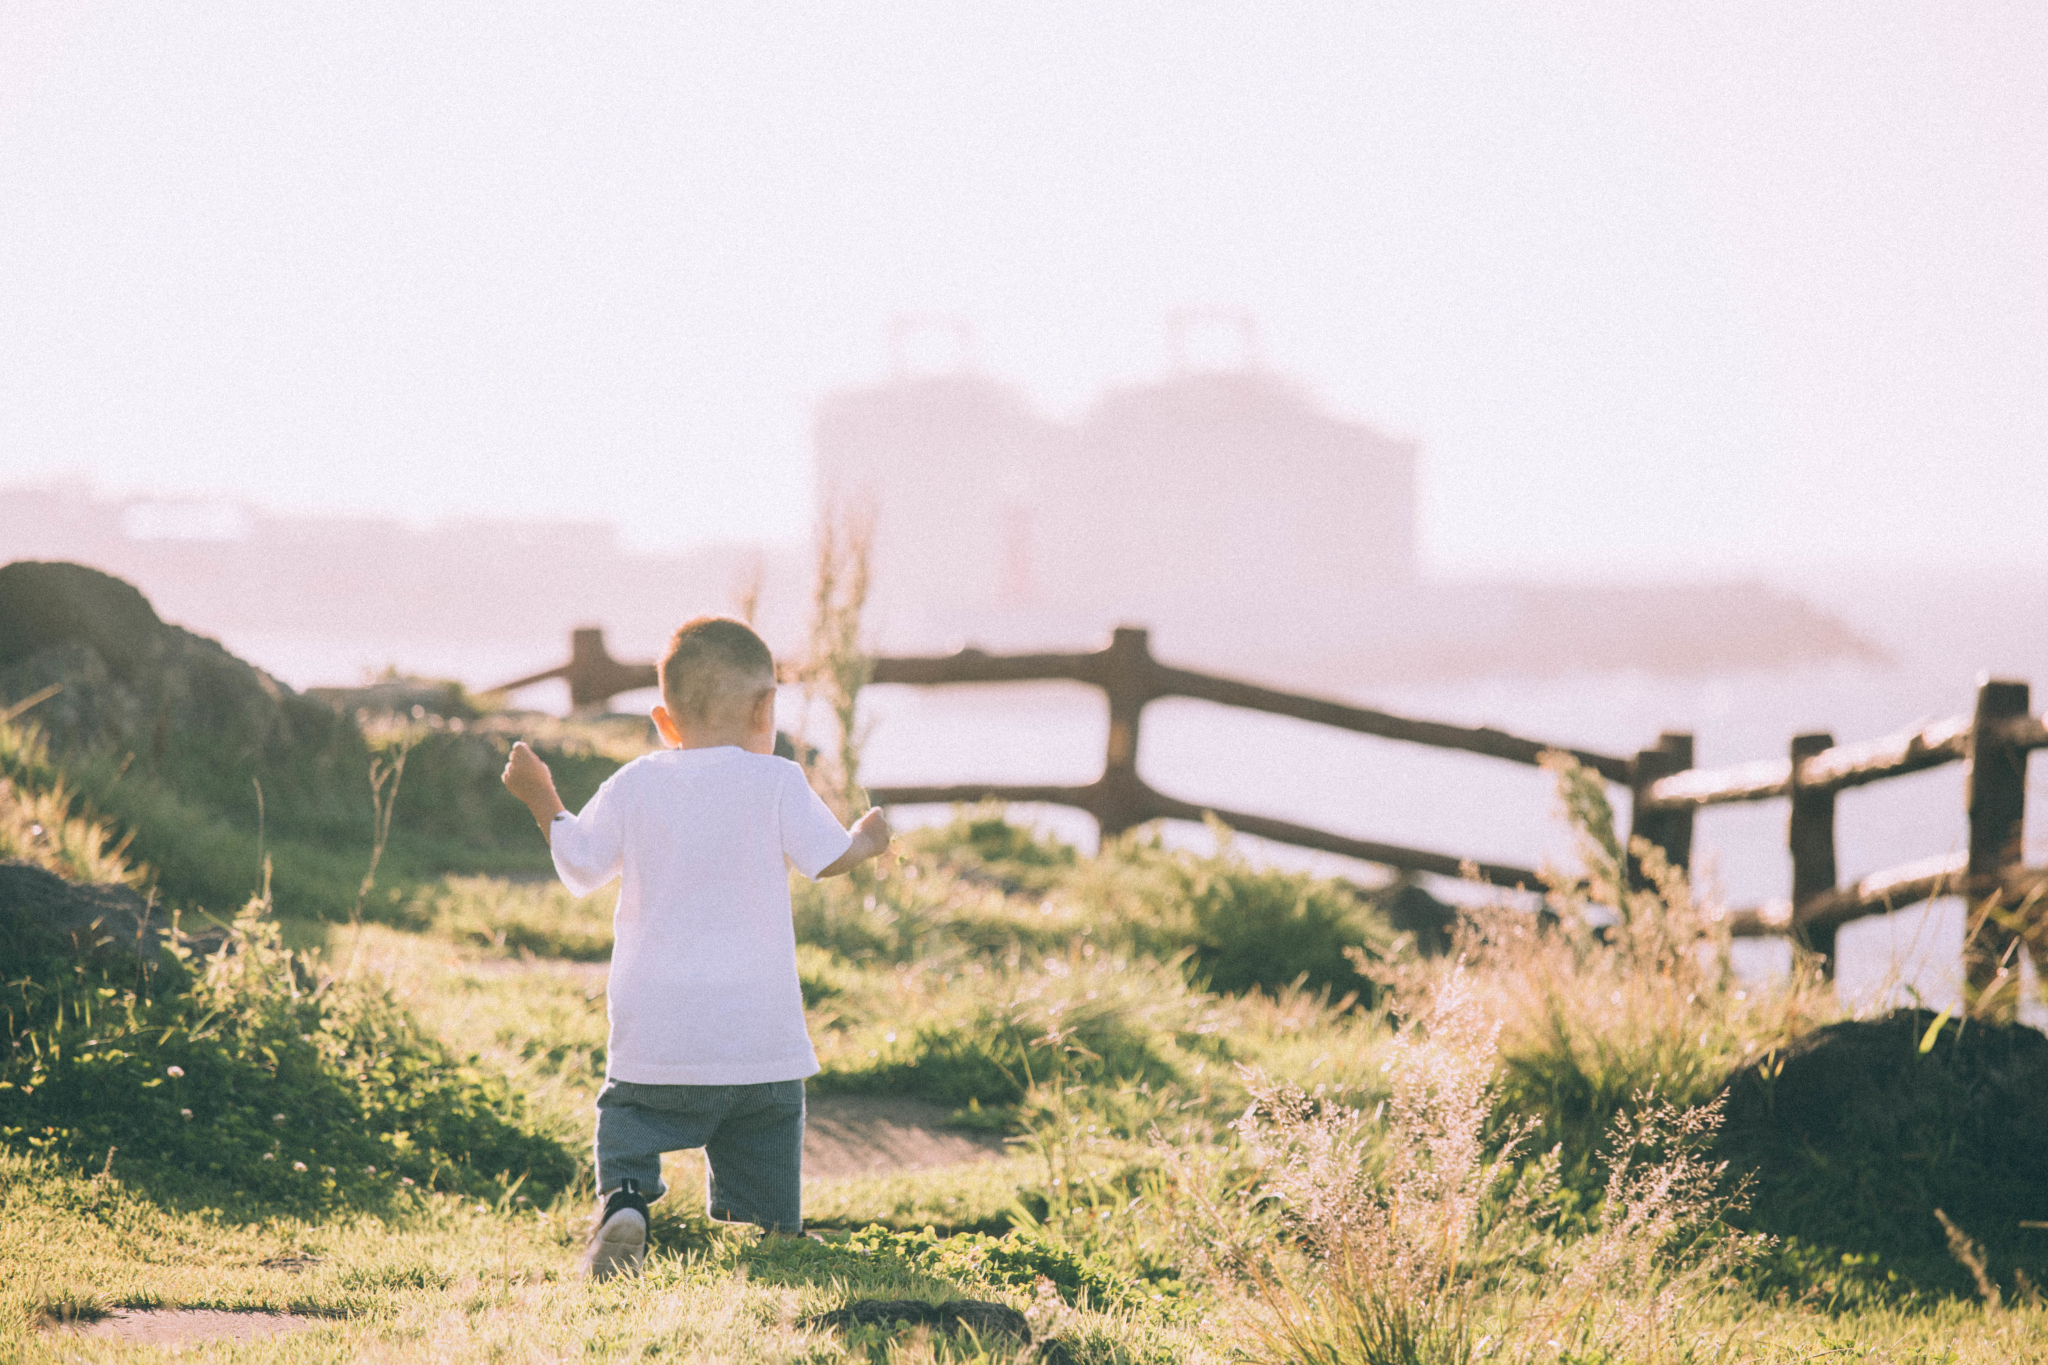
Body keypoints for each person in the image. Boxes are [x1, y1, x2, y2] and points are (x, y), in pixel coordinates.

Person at [500, 615, 891, 1279]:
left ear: (665, 718)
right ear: (767, 706)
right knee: (768, 1127)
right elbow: (828, 860)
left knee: (629, 1116)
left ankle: (626, 1199)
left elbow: (582, 867)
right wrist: (867, 839)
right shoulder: (778, 781)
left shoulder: (635, 781)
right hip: (759, 1038)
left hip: (659, 1032)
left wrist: (545, 801)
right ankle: (774, 1226)